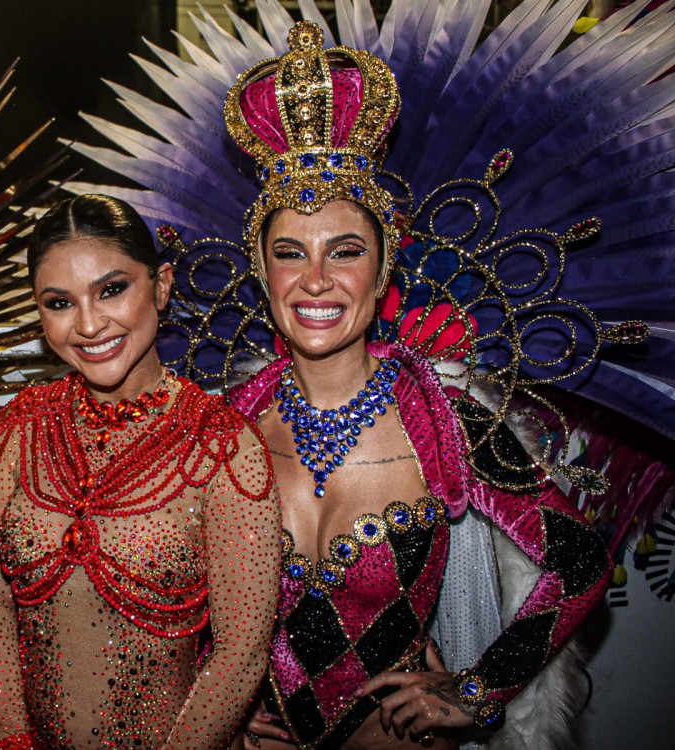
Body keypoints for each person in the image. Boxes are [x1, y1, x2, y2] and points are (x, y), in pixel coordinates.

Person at [218, 23, 613, 750]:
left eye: (345, 251)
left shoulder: (446, 422)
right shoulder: (220, 428)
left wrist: (481, 689)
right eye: (288, 253)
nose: (315, 280)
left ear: (381, 269)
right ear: (262, 272)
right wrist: (221, 710)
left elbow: (581, 563)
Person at [0, 194, 283, 750]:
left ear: (160, 286)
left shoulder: (221, 446)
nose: (89, 325)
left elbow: (242, 652)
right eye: (59, 302)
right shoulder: (21, 431)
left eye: (112, 289)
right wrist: (11, 738)